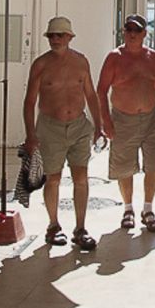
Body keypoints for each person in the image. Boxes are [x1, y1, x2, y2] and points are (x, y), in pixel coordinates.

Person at [22, 16, 102, 250]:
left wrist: (99, 127)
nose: (55, 39)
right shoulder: (40, 65)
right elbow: (29, 102)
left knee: (81, 177)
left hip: (78, 126)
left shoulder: (81, 62)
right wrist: (30, 135)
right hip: (50, 128)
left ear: (69, 37)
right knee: (53, 178)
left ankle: (80, 228)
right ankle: (53, 225)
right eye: (51, 36)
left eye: (59, 35)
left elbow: (91, 95)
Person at [97, 15, 155, 233]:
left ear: (144, 34)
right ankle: (128, 209)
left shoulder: (152, 57)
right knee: (124, 167)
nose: (131, 34)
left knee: (154, 165)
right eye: (128, 29)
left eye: (136, 30)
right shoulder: (114, 58)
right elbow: (101, 90)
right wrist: (106, 122)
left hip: (150, 119)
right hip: (123, 120)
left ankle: (148, 209)